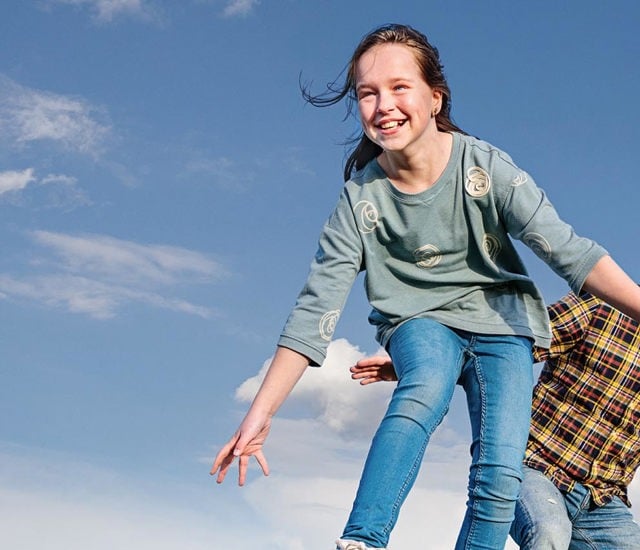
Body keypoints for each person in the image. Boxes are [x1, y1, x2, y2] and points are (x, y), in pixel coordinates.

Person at [211, 23, 640, 550]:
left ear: (435, 98)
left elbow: (570, 252)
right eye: (367, 93)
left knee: (501, 471)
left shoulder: (486, 168)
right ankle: (363, 539)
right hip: (420, 320)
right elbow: (314, 313)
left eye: (398, 87)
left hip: (502, 325)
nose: (382, 104)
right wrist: (260, 412)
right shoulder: (360, 203)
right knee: (428, 383)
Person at [352, 290, 640, 549]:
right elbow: (505, 351)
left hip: (603, 499)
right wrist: (419, 365)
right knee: (549, 531)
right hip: (534, 468)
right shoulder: (602, 309)